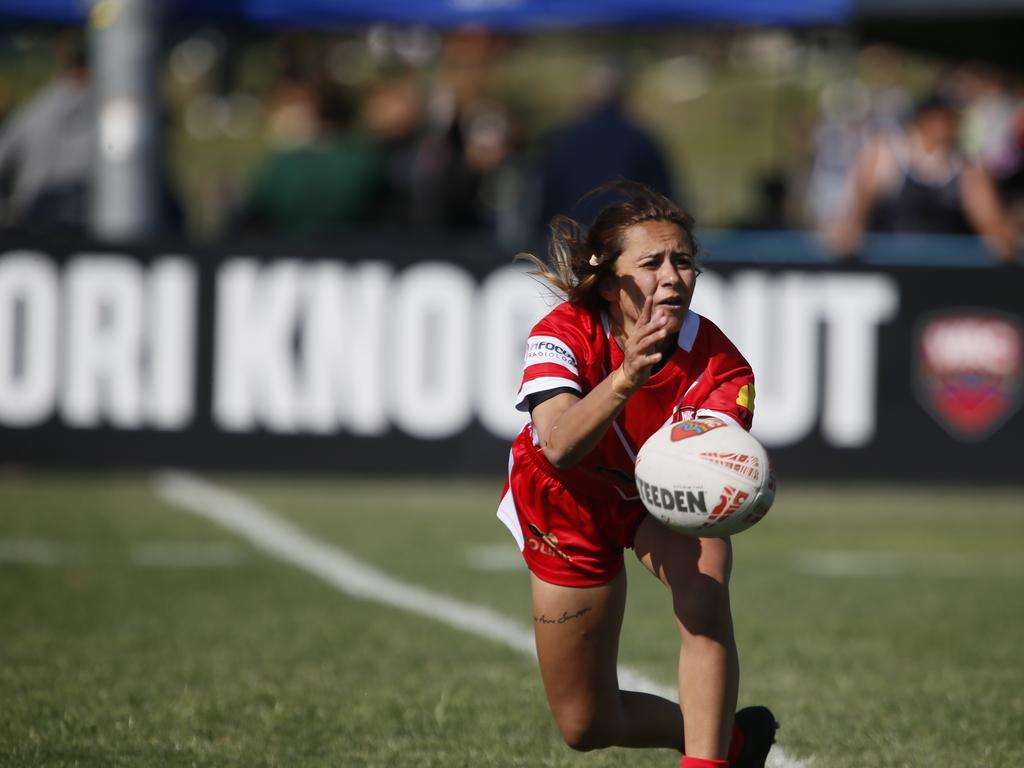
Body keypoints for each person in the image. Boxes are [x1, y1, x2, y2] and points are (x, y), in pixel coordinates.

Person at [496, 182, 777, 768]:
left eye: (684, 260)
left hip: (656, 500)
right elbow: (560, 447)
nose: (672, 276)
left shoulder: (722, 365)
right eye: (651, 262)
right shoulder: (562, 332)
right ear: (608, 273)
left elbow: (703, 480)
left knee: (703, 592)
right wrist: (626, 377)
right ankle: (728, 740)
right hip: (564, 498)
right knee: (587, 723)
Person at [827, 90, 1018, 263]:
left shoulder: (966, 166)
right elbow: (858, 207)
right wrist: (849, 230)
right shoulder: (886, 153)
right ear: (926, 119)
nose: (950, 127)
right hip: (888, 263)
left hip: (946, 269)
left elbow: (989, 219)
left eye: (954, 120)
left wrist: (1003, 238)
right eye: (945, 118)